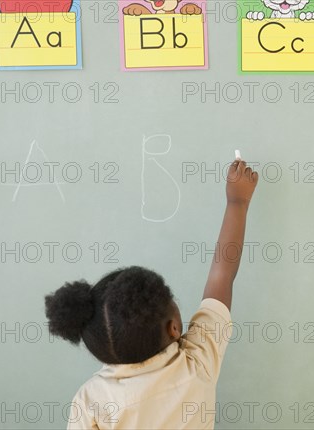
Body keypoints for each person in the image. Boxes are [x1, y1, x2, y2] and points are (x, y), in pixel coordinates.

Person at [44, 159, 258, 429]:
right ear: (174, 328)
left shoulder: (91, 400)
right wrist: (237, 203)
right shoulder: (197, 362)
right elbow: (221, 277)